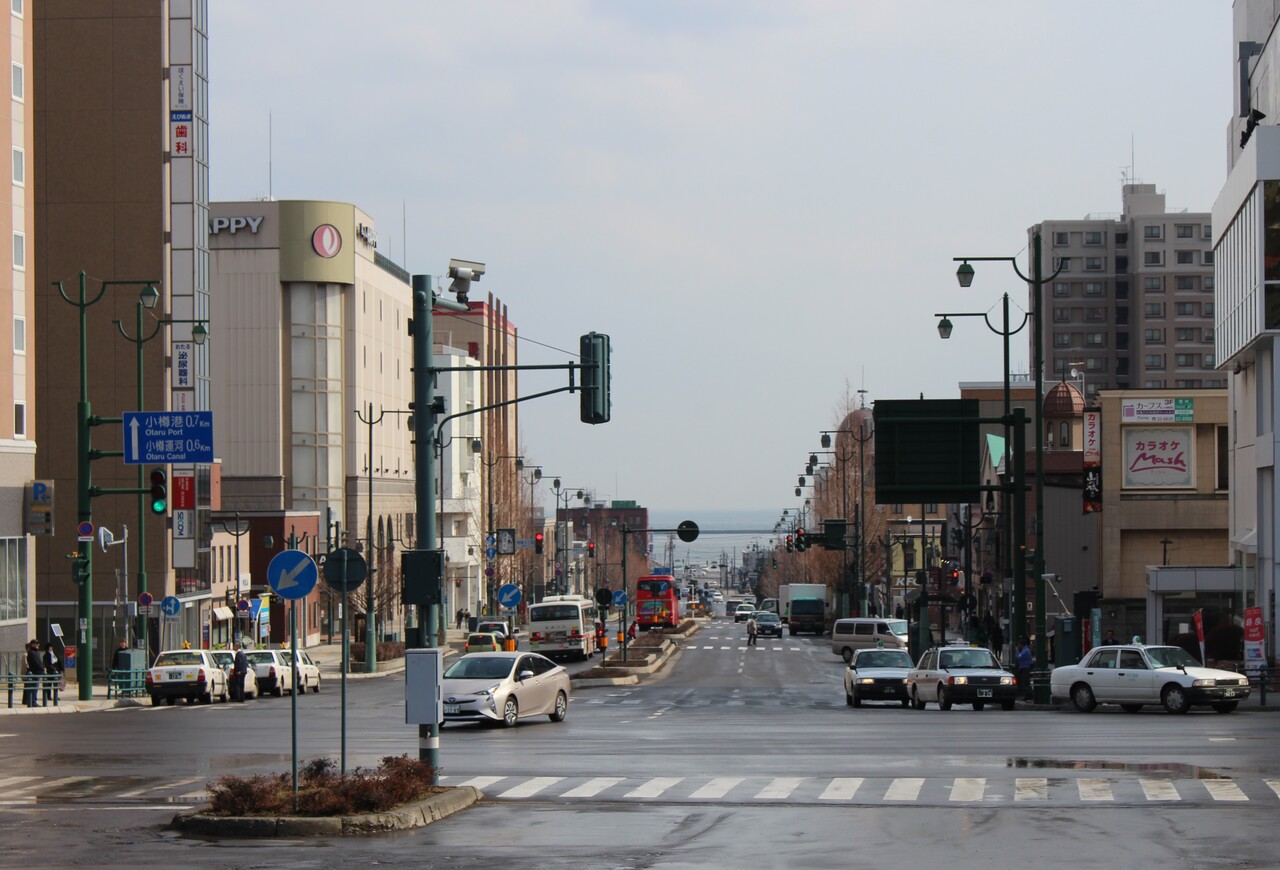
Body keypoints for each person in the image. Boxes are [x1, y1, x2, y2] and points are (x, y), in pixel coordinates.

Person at [23, 639, 44, 708]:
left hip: (38, 672)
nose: (38, 645)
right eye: (36, 643)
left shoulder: (36, 652)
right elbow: (36, 663)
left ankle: (33, 701)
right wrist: (42, 668)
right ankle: (33, 702)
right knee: (34, 688)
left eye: (38, 643)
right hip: (35, 672)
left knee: (35, 687)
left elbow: (39, 662)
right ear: (32, 644)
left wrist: (42, 668)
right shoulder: (32, 653)